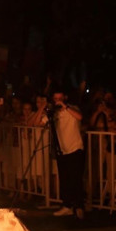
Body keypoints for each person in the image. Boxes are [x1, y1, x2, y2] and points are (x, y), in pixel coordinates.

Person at [49, 86, 86, 219]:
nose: (57, 101)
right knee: (64, 179)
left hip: (75, 148)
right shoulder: (54, 113)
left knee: (76, 179)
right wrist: (43, 108)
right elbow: (36, 122)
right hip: (61, 150)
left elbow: (80, 117)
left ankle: (79, 206)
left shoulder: (72, 108)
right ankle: (67, 206)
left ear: (64, 98)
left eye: (60, 98)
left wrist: (65, 106)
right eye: (55, 99)